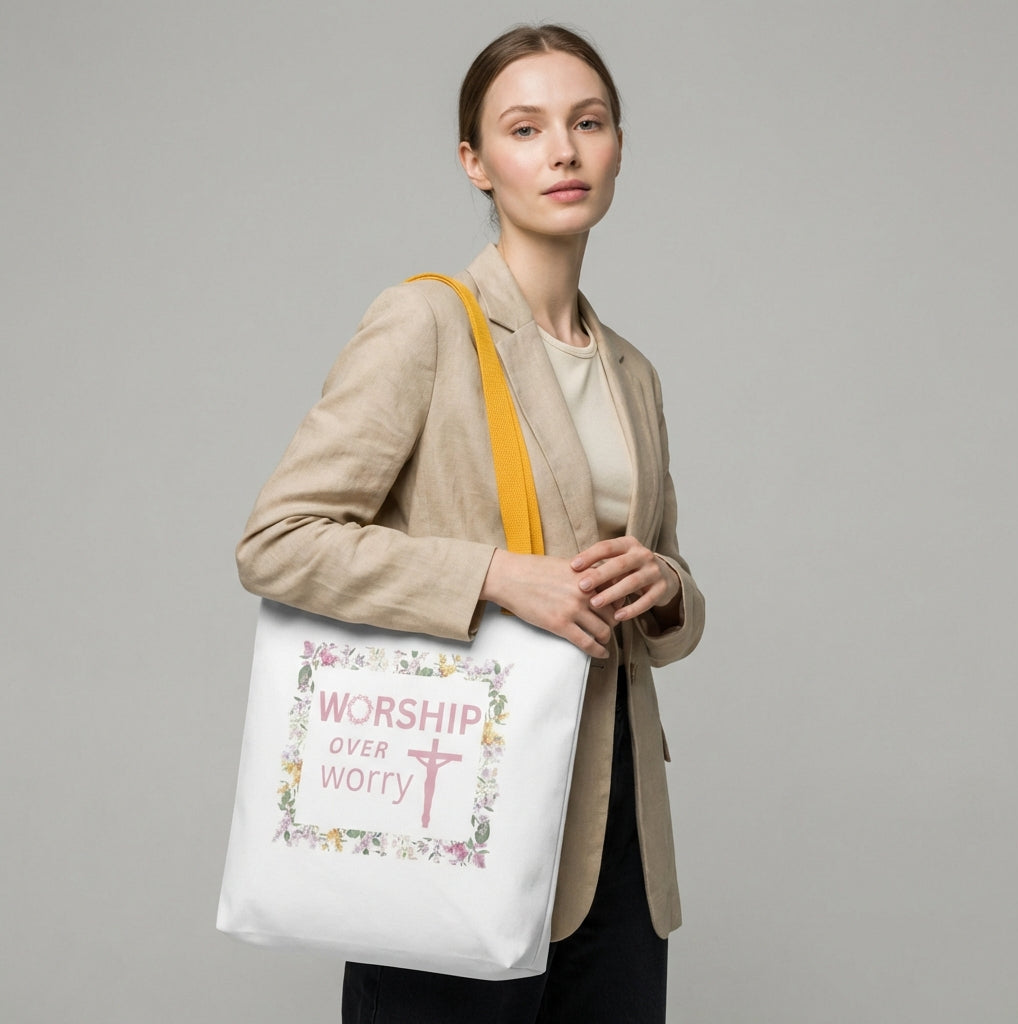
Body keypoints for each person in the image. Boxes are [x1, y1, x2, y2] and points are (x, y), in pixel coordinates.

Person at [236, 23, 705, 1024]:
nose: (563, 152)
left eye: (586, 122)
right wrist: (493, 575)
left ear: (618, 142)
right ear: (475, 163)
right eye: (524, 128)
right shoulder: (426, 322)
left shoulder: (632, 371)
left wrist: (663, 584)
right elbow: (278, 541)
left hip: (615, 841)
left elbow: (672, 591)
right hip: (455, 817)